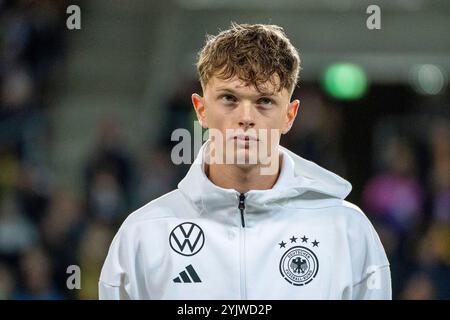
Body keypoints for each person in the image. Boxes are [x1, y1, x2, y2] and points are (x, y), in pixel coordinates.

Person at [99, 23, 391, 300]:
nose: (246, 118)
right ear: (201, 110)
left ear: (289, 115)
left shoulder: (346, 229)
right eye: (229, 98)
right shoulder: (144, 233)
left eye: (264, 101)